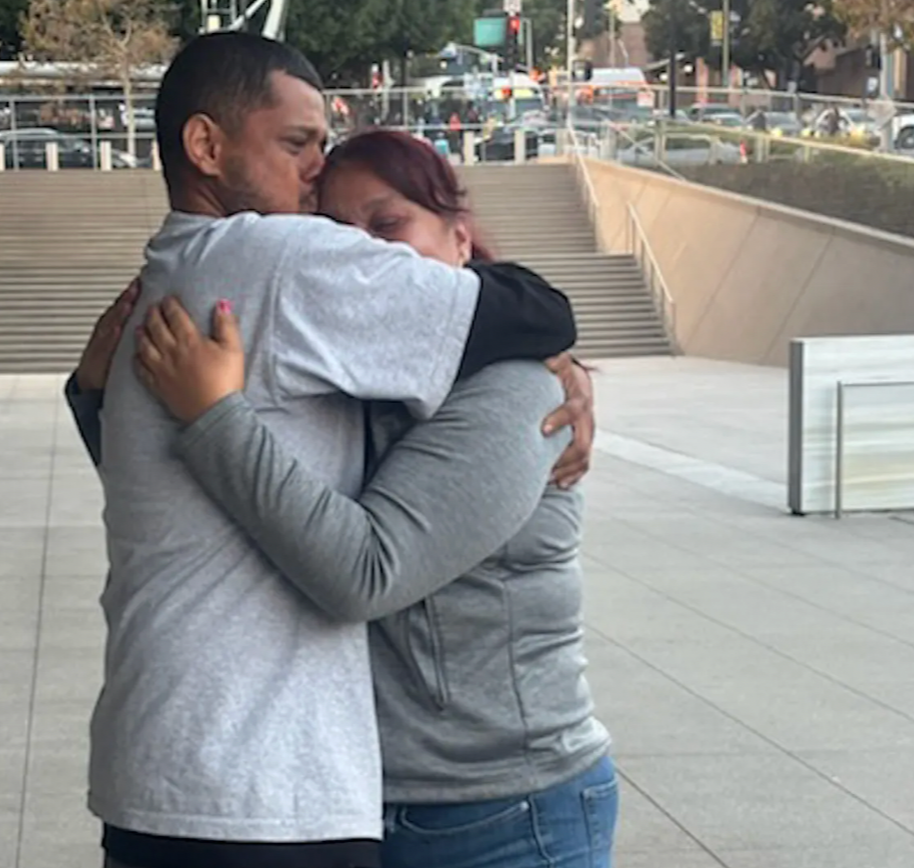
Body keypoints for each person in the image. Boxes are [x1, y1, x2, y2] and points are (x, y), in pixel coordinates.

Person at [81, 32, 595, 868]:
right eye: (296, 144)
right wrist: (555, 354)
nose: (316, 169)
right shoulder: (277, 255)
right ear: (205, 146)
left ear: (461, 235)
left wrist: (89, 396)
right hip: (257, 787)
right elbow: (538, 309)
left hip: (159, 765)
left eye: (323, 143)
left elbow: (169, 506)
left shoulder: (170, 271)